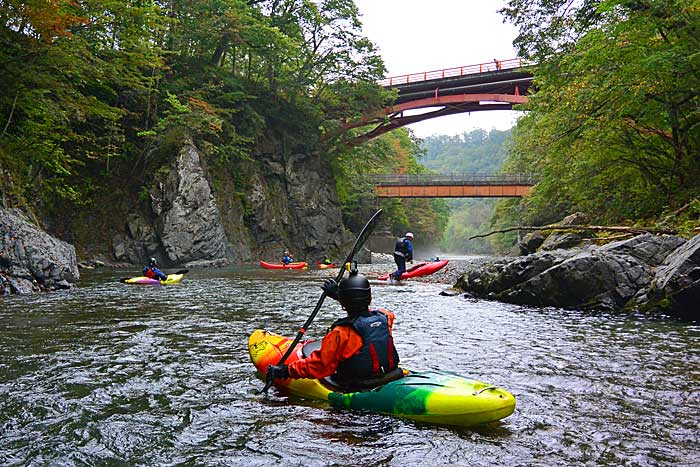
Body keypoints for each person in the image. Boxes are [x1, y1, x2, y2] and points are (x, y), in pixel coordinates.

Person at [265, 266, 402, 391]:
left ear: (343, 303)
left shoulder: (340, 334)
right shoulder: (385, 317)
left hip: (360, 385)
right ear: (370, 299)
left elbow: (319, 366)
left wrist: (285, 371)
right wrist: (341, 297)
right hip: (390, 375)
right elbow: (366, 317)